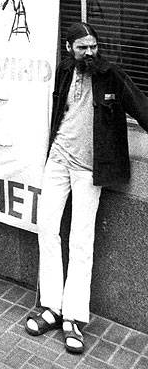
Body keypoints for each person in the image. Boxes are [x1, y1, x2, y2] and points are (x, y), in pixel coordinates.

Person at [25, 21, 148, 354]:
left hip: (89, 170)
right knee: (47, 228)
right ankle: (51, 305)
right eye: (83, 47)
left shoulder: (111, 74)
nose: (90, 52)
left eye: (94, 46)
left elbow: (142, 107)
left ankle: (74, 318)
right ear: (70, 49)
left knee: (81, 239)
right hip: (58, 161)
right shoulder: (65, 72)